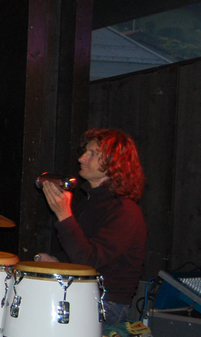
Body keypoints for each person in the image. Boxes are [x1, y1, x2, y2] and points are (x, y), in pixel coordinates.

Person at [38, 128, 147, 326]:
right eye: (85, 152)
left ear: (114, 163)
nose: (81, 158)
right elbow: (80, 251)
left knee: (38, 315)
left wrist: (64, 215)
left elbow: (88, 262)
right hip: (83, 294)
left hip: (107, 304)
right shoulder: (91, 201)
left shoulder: (125, 211)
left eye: (92, 154)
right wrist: (56, 260)